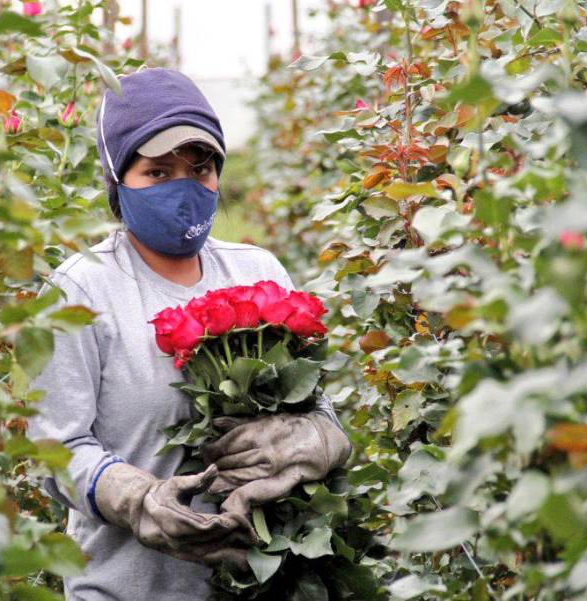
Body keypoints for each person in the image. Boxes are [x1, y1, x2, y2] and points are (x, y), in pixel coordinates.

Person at [26, 67, 352, 601]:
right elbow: (55, 447)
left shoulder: (257, 274)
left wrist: (314, 440)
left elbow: (321, 409)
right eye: (157, 172)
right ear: (118, 180)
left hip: (261, 583)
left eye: (200, 168)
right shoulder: (80, 291)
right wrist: (136, 499)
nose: (183, 187)